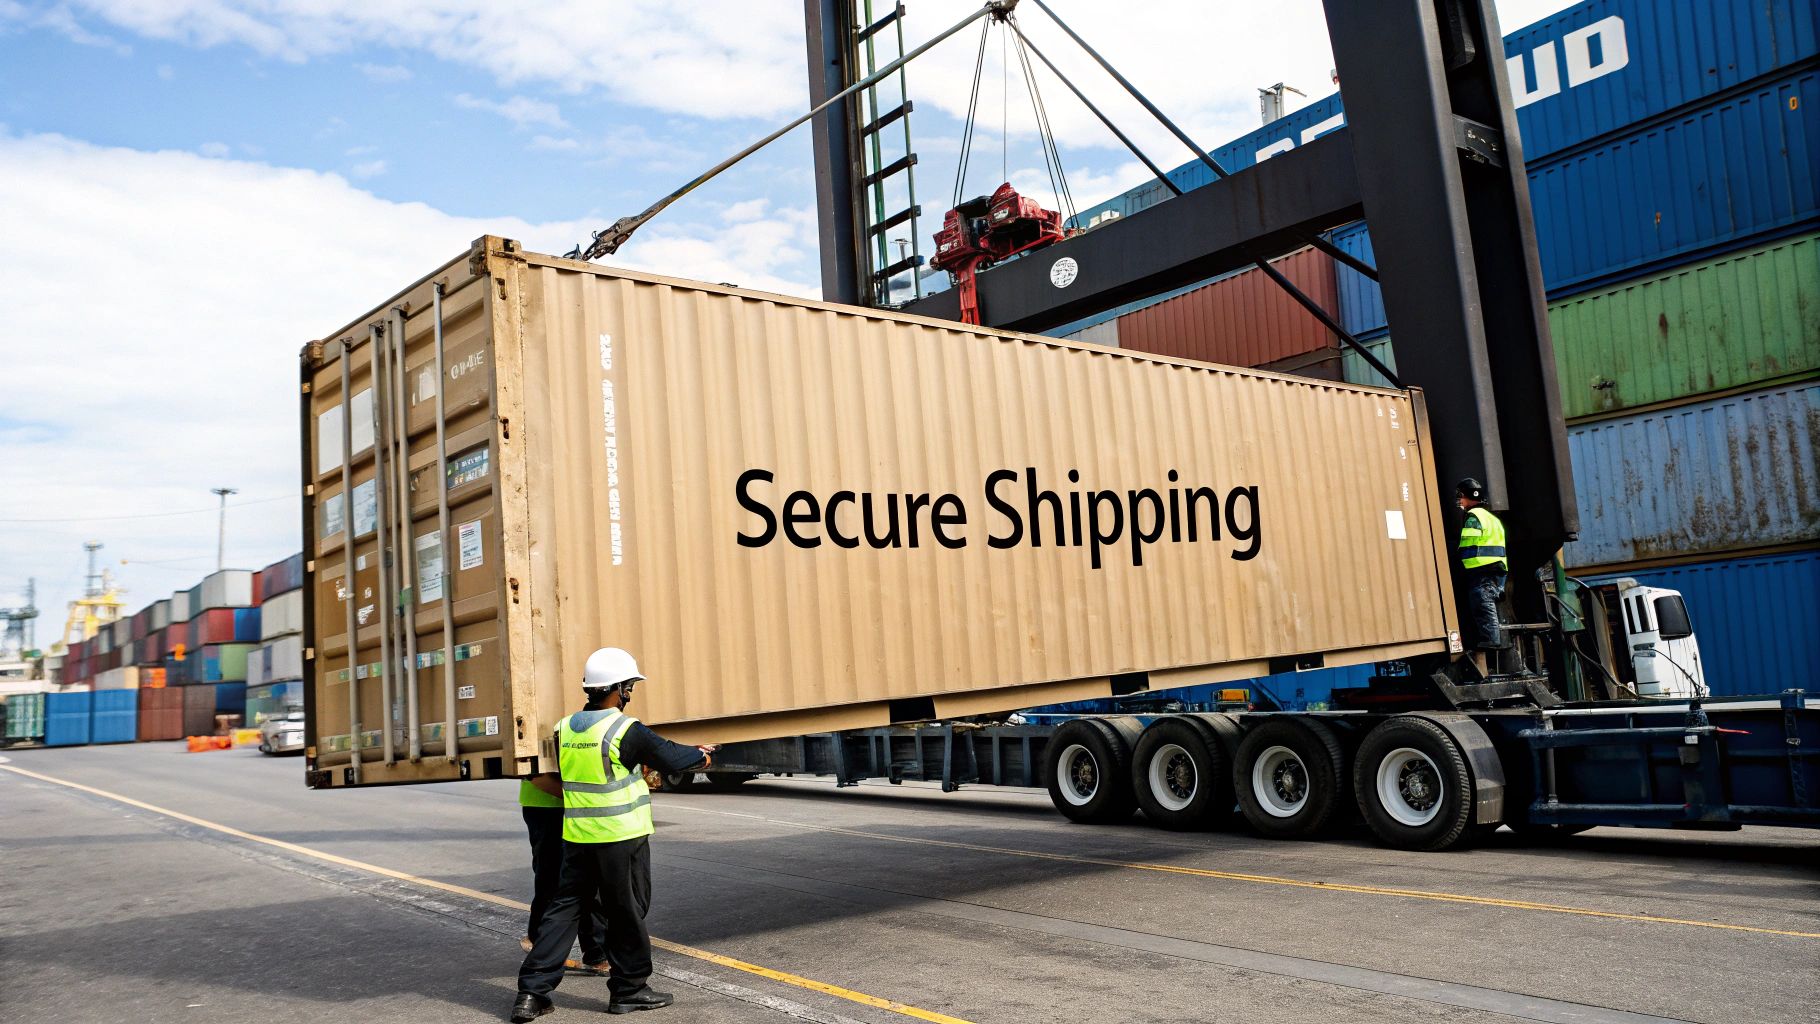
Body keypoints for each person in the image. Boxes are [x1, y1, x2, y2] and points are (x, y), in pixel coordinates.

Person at [512, 647, 714, 1021]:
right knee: (627, 911)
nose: (630, 693)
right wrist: (701, 756)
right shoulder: (624, 728)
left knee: (563, 911)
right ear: (621, 689)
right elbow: (671, 756)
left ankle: (531, 993)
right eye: (629, 686)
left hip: (578, 838)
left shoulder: (564, 727)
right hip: (620, 837)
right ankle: (629, 990)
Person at [517, 772, 608, 973]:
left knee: (588, 877)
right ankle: (541, 946)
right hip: (548, 805)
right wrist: (581, 796)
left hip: (579, 805)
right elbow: (533, 774)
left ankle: (597, 952)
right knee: (553, 879)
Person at [1454, 477, 1509, 677]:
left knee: (1482, 600)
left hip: (1482, 568)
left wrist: (1458, 560)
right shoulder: (1492, 518)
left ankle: (1491, 638)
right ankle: (1489, 637)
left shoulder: (1473, 517)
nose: (1459, 500)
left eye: (1460, 496)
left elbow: (1468, 544)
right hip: (1496, 569)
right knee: (1486, 600)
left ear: (1469, 496)